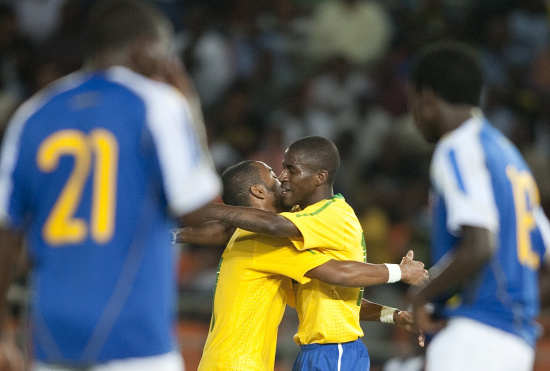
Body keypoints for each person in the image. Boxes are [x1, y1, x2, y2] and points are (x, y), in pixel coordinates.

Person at [0, 1, 220, 370]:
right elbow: (204, 210)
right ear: (145, 47)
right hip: (134, 334)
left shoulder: (33, 112)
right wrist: (191, 108)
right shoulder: (159, 104)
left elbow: (6, 233)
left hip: (54, 333)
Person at [179, 136, 424, 370]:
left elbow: (337, 285)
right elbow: (335, 284)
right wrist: (399, 278)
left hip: (329, 350)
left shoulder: (326, 216)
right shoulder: (265, 241)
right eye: (276, 174)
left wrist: (177, 230)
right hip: (257, 362)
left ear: (319, 177)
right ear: (258, 192)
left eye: (290, 171)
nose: (283, 178)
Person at [406, 40, 550, 371]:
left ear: (427, 98)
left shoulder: (456, 148)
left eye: (411, 101)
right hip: (515, 343)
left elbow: (480, 245)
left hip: (475, 340)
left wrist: (422, 297)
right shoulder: (509, 156)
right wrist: (512, 306)